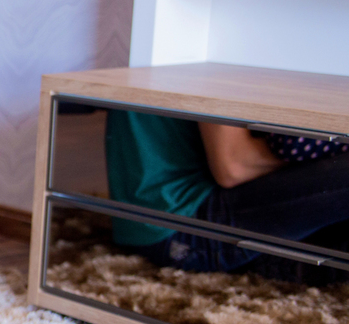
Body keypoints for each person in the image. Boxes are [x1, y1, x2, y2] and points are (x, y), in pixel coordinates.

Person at [105, 111, 349, 283]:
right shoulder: (216, 44)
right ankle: (279, 262)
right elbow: (234, 167)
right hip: (178, 224)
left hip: (160, 212)